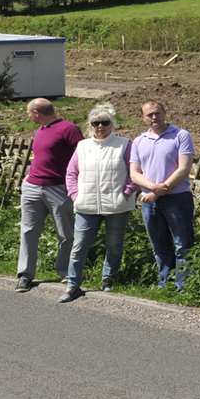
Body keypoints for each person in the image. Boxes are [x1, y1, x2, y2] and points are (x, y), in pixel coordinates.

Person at [62, 103, 135, 301]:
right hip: (87, 205)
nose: (100, 127)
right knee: (79, 246)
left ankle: (107, 279)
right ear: (90, 125)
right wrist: (75, 195)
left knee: (114, 244)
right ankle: (72, 284)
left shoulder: (124, 144)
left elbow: (134, 172)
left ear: (112, 124)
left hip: (116, 205)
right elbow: (71, 173)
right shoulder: (82, 146)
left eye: (105, 122)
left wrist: (126, 193)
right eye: (96, 123)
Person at [15, 99, 81, 293]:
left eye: (29, 113)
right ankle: (25, 275)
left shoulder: (68, 129)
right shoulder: (41, 130)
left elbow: (82, 156)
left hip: (58, 188)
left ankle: (66, 272)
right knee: (28, 231)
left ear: (36, 112)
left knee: (65, 233)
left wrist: (75, 185)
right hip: (32, 187)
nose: (29, 117)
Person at [129, 101, 196, 290]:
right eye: (149, 115)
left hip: (177, 198)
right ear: (143, 117)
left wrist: (158, 191)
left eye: (157, 113)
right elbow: (134, 173)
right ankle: (165, 284)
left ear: (164, 113)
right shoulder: (139, 141)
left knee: (182, 243)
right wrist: (152, 188)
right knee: (159, 243)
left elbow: (183, 169)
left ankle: (183, 286)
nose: (154, 118)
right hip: (149, 200)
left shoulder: (181, 136)